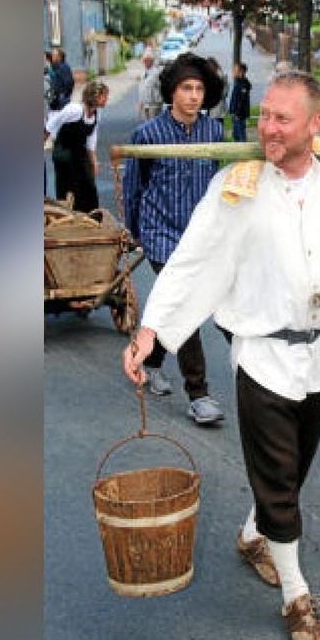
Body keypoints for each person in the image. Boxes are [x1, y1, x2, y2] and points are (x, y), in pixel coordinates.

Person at [122, 71, 320, 640]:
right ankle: (297, 599)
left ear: (316, 124)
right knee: (283, 485)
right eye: (264, 115)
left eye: (282, 119)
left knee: (290, 474)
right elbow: (193, 261)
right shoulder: (237, 187)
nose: (267, 128)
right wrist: (152, 331)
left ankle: (252, 534)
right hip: (262, 356)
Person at [122, 53, 227, 424]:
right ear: (172, 92)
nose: (193, 96)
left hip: (199, 235)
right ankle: (199, 394)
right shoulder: (148, 134)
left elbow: (219, 184)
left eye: (199, 89)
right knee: (186, 306)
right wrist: (135, 232)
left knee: (186, 304)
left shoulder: (214, 133)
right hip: (160, 231)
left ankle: (151, 361)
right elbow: (134, 188)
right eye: (186, 88)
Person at [44, 81, 109, 211]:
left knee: (88, 186)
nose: (106, 99)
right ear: (95, 96)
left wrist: (94, 162)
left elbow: (91, 139)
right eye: (104, 96)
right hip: (64, 152)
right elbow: (51, 124)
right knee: (69, 187)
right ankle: (68, 215)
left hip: (79, 152)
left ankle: (89, 217)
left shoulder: (96, 114)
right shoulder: (74, 109)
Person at [228, 61, 253, 142]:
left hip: (239, 114)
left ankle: (243, 149)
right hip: (235, 113)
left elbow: (241, 101)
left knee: (240, 134)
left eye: (235, 71)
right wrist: (232, 110)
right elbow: (234, 98)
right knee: (235, 134)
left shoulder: (243, 84)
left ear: (241, 72)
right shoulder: (237, 82)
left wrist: (237, 113)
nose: (233, 72)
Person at [136, 52, 164, 122]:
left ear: (152, 61)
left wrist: (159, 100)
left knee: (154, 124)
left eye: (147, 60)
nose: (145, 62)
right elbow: (142, 89)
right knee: (147, 125)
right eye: (144, 60)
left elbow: (159, 86)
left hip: (154, 104)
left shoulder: (156, 72)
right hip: (145, 104)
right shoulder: (144, 73)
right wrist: (140, 102)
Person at [205, 57, 230, 133]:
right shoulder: (218, 76)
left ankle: (217, 141)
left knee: (216, 126)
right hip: (214, 107)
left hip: (217, 107)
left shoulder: (219, 77)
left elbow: (223, 92)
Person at [48, 47, 75, 111]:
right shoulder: (53, 66)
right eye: (52, 55)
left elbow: (69, 83)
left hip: (61, 98)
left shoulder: (64, 67)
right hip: (54, 97)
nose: (52, 56)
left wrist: (64, 95)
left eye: (54, 55)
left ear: (59, 57)